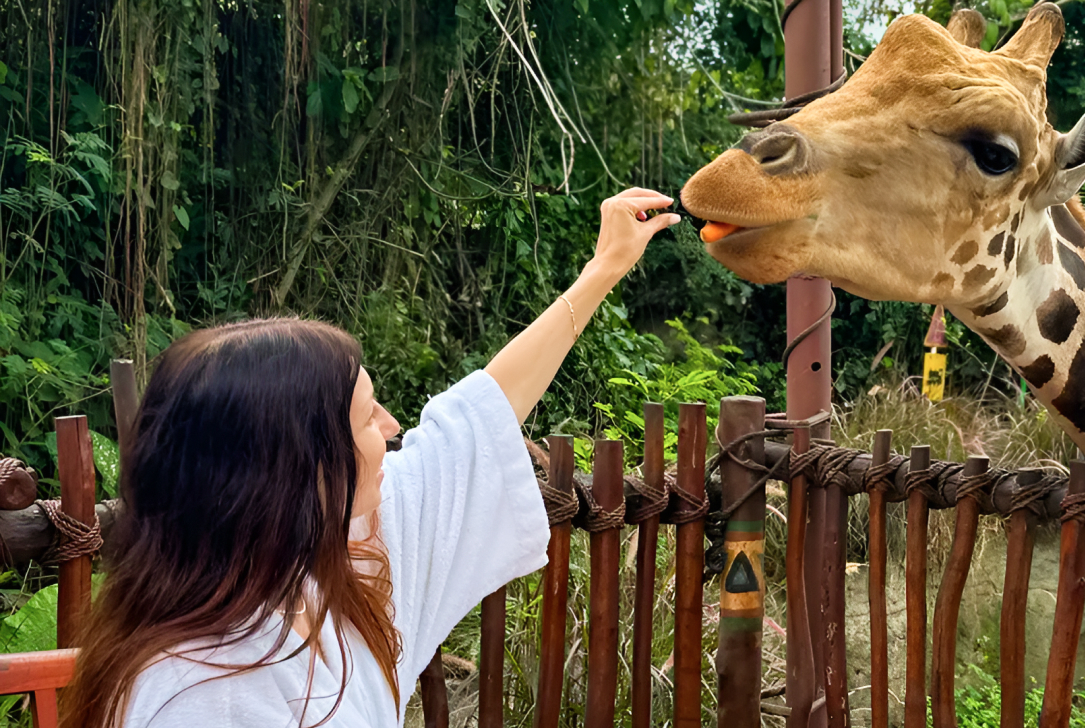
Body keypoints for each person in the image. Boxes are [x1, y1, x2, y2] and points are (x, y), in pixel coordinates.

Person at [64, 189, 682, 728]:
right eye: (366, 415)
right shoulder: (202, 696)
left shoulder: (328, 563)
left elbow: (477, 419)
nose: (392, 427)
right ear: (296, 469)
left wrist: (604, 267)